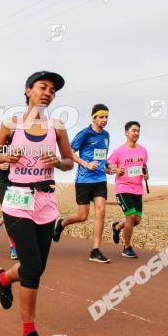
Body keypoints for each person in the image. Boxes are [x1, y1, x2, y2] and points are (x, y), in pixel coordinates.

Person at [0, 71, 74, 336]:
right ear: (28, 91)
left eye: (52, 90)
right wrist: (5, 157)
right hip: (16, 199)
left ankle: (3, 279)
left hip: (46, 201)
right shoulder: (12, 124)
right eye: (42, 87)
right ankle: (29, 333)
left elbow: (69, 162)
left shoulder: (57, 127)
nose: (47, 92)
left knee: (36, 266)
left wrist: (57, 162)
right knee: (33, 266)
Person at [54, 104, 114, 263]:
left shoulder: (106, 135)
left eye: (106, 117)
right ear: (93, 117)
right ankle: (62, 222)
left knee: (101, 212)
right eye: (101, 117)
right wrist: (86, 164)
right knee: (82, 216)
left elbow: (102, 156)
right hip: (84, 180)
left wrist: (108, 167)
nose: (104, 120)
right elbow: (70, 153)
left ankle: (95, 250)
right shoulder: (85, 134)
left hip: (100, 179)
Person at [109, 121, 149, 259]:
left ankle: (117, 227)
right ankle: (127, 247)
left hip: (137, 189)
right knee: (131, 217)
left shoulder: (143, 150)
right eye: (133, 130)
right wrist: (115, 170)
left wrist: (146, 174)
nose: (136, 133)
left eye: (138, 131)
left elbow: (144, 165)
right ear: (126, 132)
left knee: (136, 221)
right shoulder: (119, 151)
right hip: (123, 187)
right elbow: (107, 166)